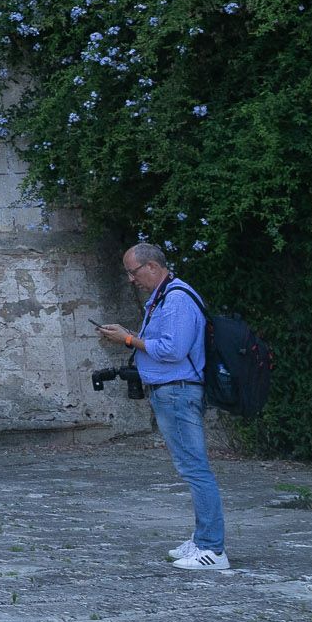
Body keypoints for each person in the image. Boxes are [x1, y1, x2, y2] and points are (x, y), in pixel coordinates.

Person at [99, 241, 229, 572]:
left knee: (195, 468)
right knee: (192, 467)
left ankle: (213, 549)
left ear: (153, 267)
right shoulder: (165, 298)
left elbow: (172, 349)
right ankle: (202, 539)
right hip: (171, 391)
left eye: (133, 272)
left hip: (178, 391)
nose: (131, 279)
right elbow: (163, 343)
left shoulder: (176, 300)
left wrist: (128, 340)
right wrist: (129, 335)